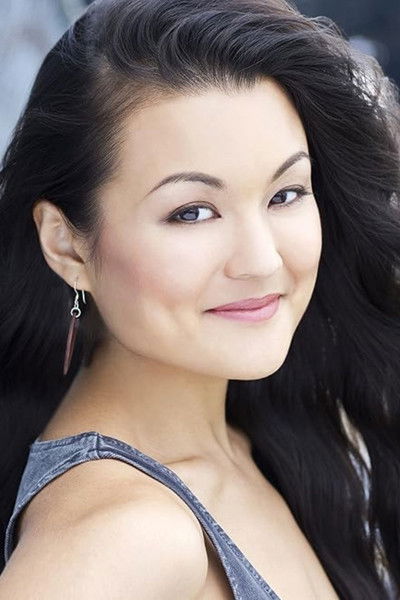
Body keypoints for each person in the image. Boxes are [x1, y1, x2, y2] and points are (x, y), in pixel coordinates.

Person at [0, 0, 399, 598]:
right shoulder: (121, 539)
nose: (262, 260)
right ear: (67, 246)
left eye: (286, 194)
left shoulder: (263, 434)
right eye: (192, 212)